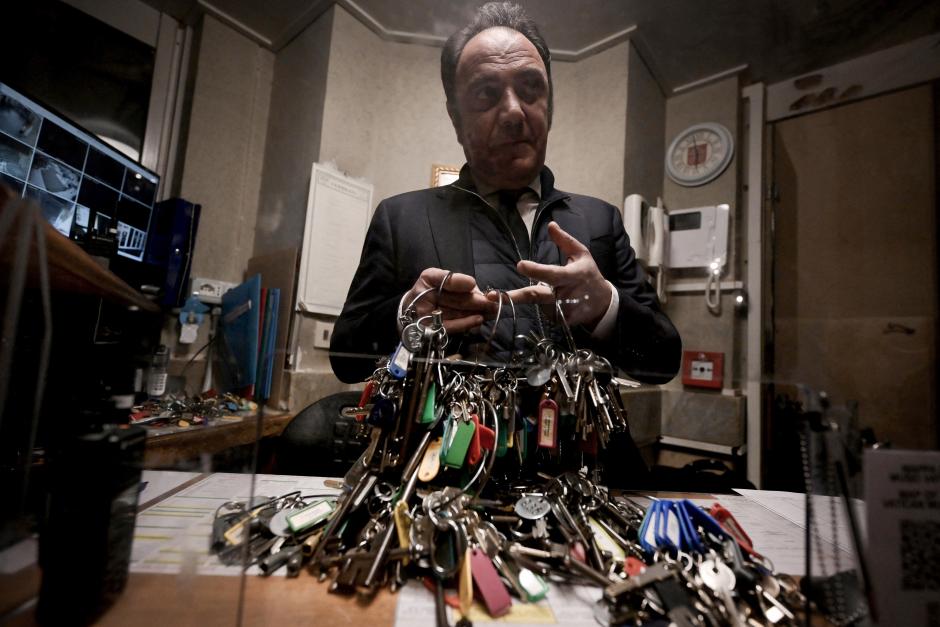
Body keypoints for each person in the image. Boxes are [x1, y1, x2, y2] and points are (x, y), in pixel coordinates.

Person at [330, 2, 680, 388]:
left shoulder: (601, 221)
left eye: (531, 88)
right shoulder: (399, 219)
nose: (514, 111)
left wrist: (606, 306)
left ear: (550, 107)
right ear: (455, 119)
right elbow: (346, 361)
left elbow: (663, 362)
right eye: (486, 93)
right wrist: (406, 315)